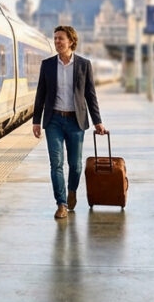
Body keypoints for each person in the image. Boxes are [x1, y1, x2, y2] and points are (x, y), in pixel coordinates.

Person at [32, 25, 108, 219]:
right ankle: (61, 203)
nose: (57, 41)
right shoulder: (47, 65)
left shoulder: (84, 64)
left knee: (75, 165)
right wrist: (36, 121)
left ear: (71, 41)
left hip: (76, 121)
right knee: (56, 163)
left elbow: (90, 96)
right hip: (54, 121)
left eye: (60, 38)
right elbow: (41, 94)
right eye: (55, 38)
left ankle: (72, 189)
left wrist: (98, 121)